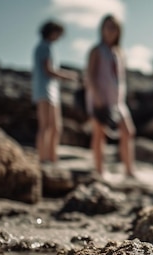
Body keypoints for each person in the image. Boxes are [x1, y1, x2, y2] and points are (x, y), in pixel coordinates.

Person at [85, 14, 136, 178]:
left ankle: (129, 171)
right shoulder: (96, 50)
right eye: (108, 27)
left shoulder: (119, 52)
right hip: (100, 99)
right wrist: (97, 98)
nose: (111, 31)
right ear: (102, 29)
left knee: (128, 132)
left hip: (118, 101)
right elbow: (90, 76)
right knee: (99, 135)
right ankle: (99, 171)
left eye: (114, 27)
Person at [32, 20, 77, 164]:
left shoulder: (48, 47)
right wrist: (67, 76)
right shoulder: (44, 47)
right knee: (45, 126)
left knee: (56, 127)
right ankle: (43, 158)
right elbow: (48, 70)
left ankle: (52, 158)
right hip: (44, 91)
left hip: (52, 91)